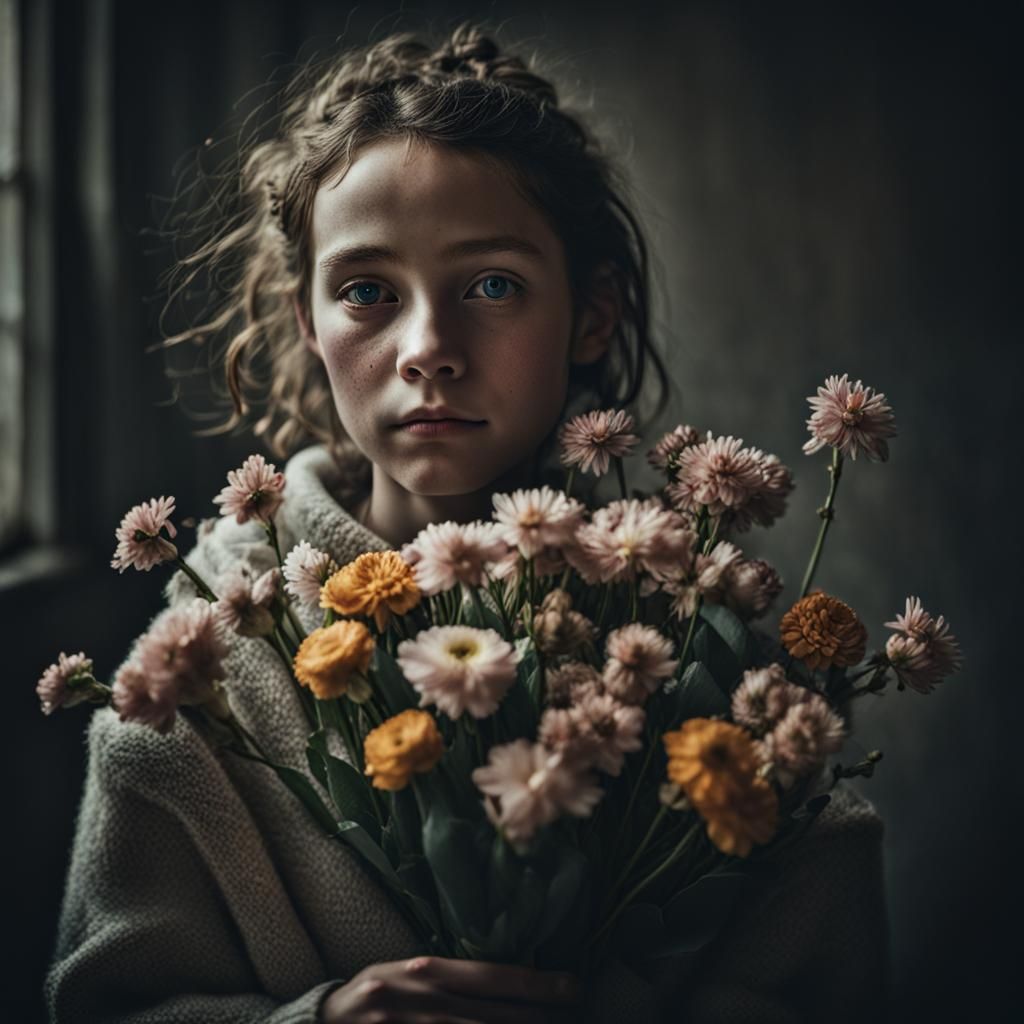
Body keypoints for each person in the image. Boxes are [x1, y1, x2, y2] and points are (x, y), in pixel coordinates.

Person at [46, 23, 889, 1023]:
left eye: (492, 285)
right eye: (367, 291)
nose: (428, 348)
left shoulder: (704, 650)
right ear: (308, 319)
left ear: (592, 314)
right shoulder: (197, 685)